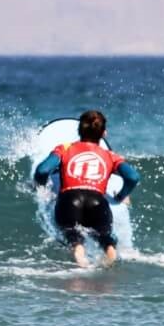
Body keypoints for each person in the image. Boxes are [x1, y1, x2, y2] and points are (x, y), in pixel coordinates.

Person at [32, 109, 141, 267]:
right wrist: (120, 196)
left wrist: (41, 188)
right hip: (98, 201)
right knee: (105, 237)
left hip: (69, 199)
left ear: (79, 131)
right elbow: (133, 177)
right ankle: (109, 255)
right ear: (104, 133)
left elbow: (42, 170)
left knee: (73, 236)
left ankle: (79, 255)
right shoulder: (110, 156)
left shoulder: (64, 148)